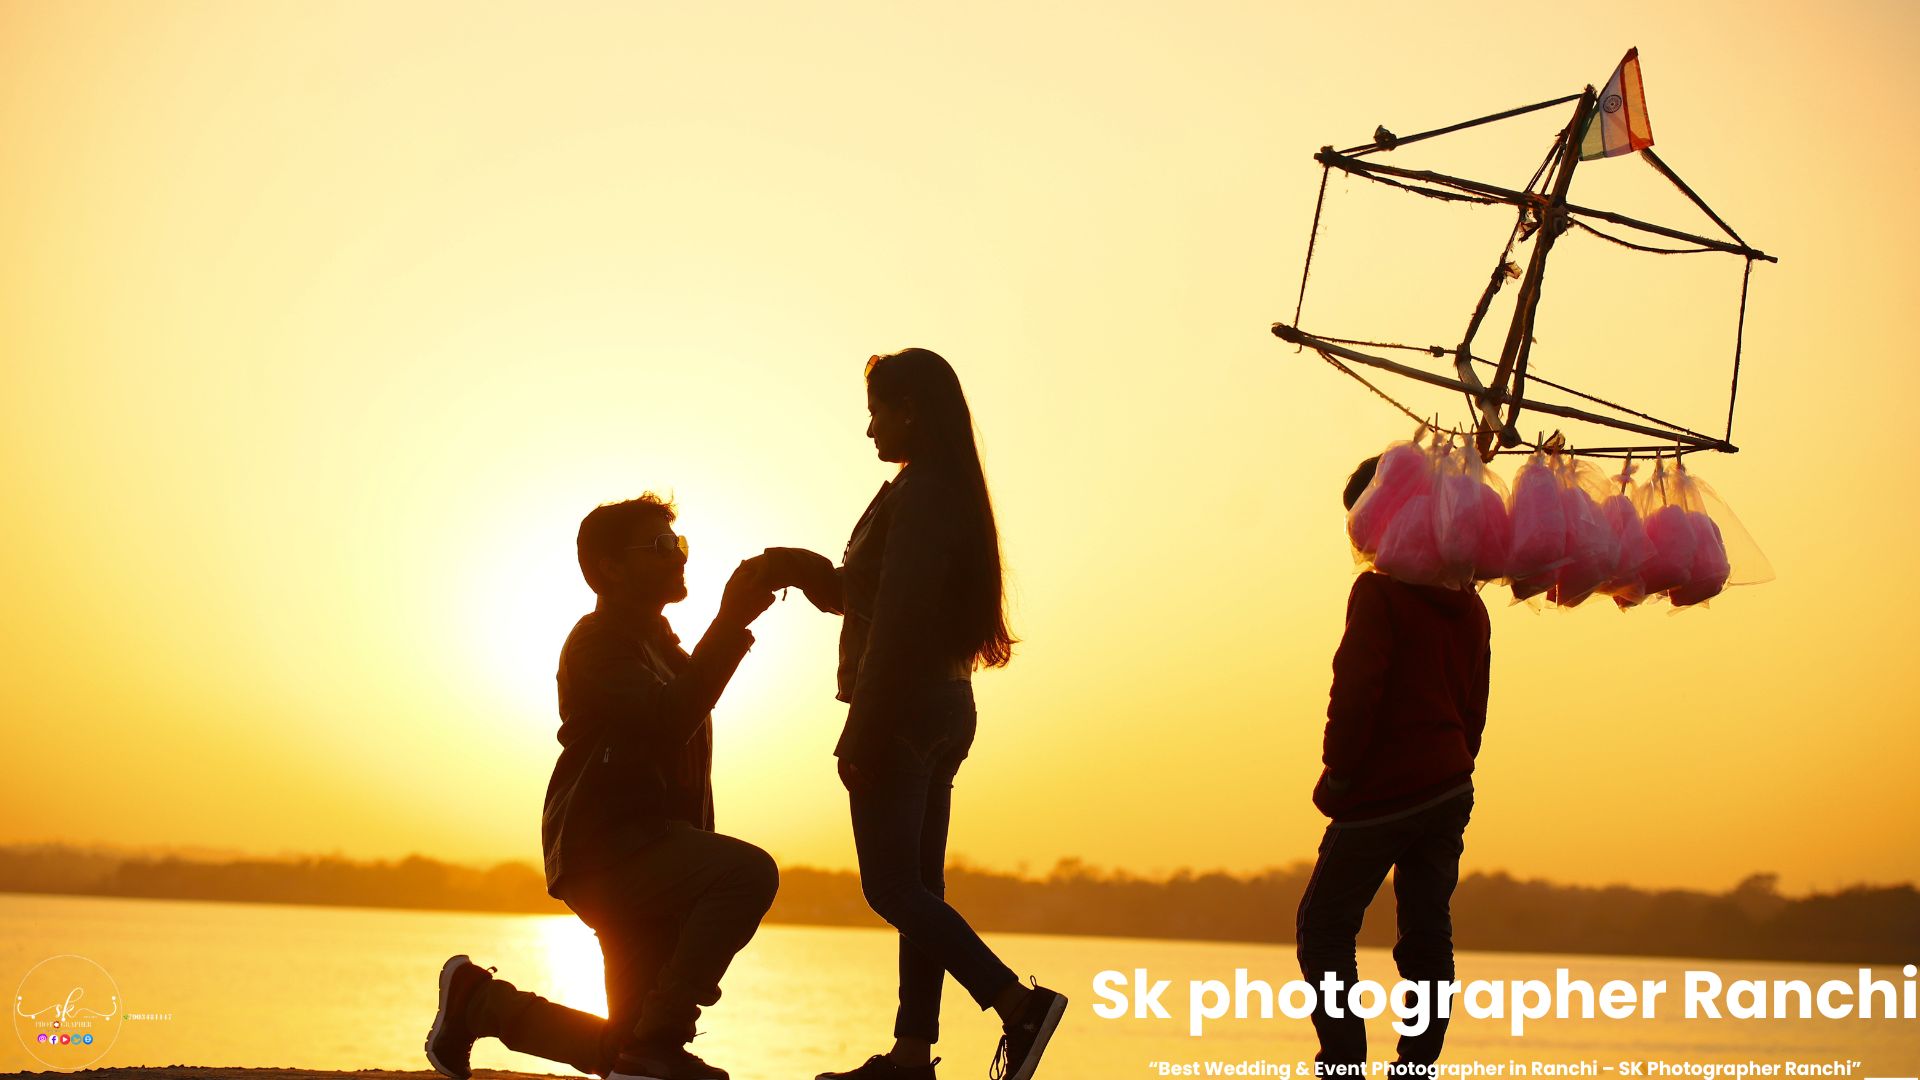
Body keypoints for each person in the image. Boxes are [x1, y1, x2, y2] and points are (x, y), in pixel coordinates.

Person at [769, 348, 1067, 1080]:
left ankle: (1016, 1006)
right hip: (942, 702)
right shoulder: (930, 491)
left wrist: (861, 727)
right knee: (920, 893)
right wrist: (801, 569)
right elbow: (869, 596)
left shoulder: (925, 494)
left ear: (911, 412)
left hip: (903, 708)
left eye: (877, 410)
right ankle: (910, 1054)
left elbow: (896, 623)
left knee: (890, 888)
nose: (868, 427)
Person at [426, 493, 786, 1080]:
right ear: (609, 569)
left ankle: (478, 1003)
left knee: (630, 1051)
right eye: (660, 547)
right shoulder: (596, 643)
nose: (679, 558)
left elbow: (681, 721)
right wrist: (729, 623)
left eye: (680, 544)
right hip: (612, 850)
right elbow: (670, 717)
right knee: (749, 874)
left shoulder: (660, 643)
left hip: (652, 853)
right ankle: (664, 1033)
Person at [1295, 456, 1492, 1075]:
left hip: (1386, 789)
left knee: (1324, 926)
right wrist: (1452, 766)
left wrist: (1340, 774)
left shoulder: (1377, 594)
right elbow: (1474, 708)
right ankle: (1417, 1066)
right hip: (1448, 786)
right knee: (1427, 933)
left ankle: (1344, 1064)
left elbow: (1354, 693)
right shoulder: (1472, 605)